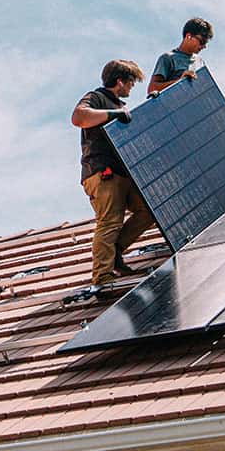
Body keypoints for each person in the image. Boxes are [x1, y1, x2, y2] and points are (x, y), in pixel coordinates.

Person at [71, 60, 156, 287]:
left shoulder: (120, 106)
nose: (131, 89)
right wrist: (113, 113)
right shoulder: (96, 98)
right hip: (102, 172)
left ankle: (115, 253)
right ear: (119, 81)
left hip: (124, 174)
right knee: (110, 221)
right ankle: (103, 276)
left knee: (148, 210)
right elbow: (78, 118)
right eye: (130, 83)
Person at [148, 16, 213, 96]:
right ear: (189, 36)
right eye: (202, 41)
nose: (204, 46)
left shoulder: (200, 63)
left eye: (206, 43)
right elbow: (152, 89)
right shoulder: (168, 58)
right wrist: (180, 82)